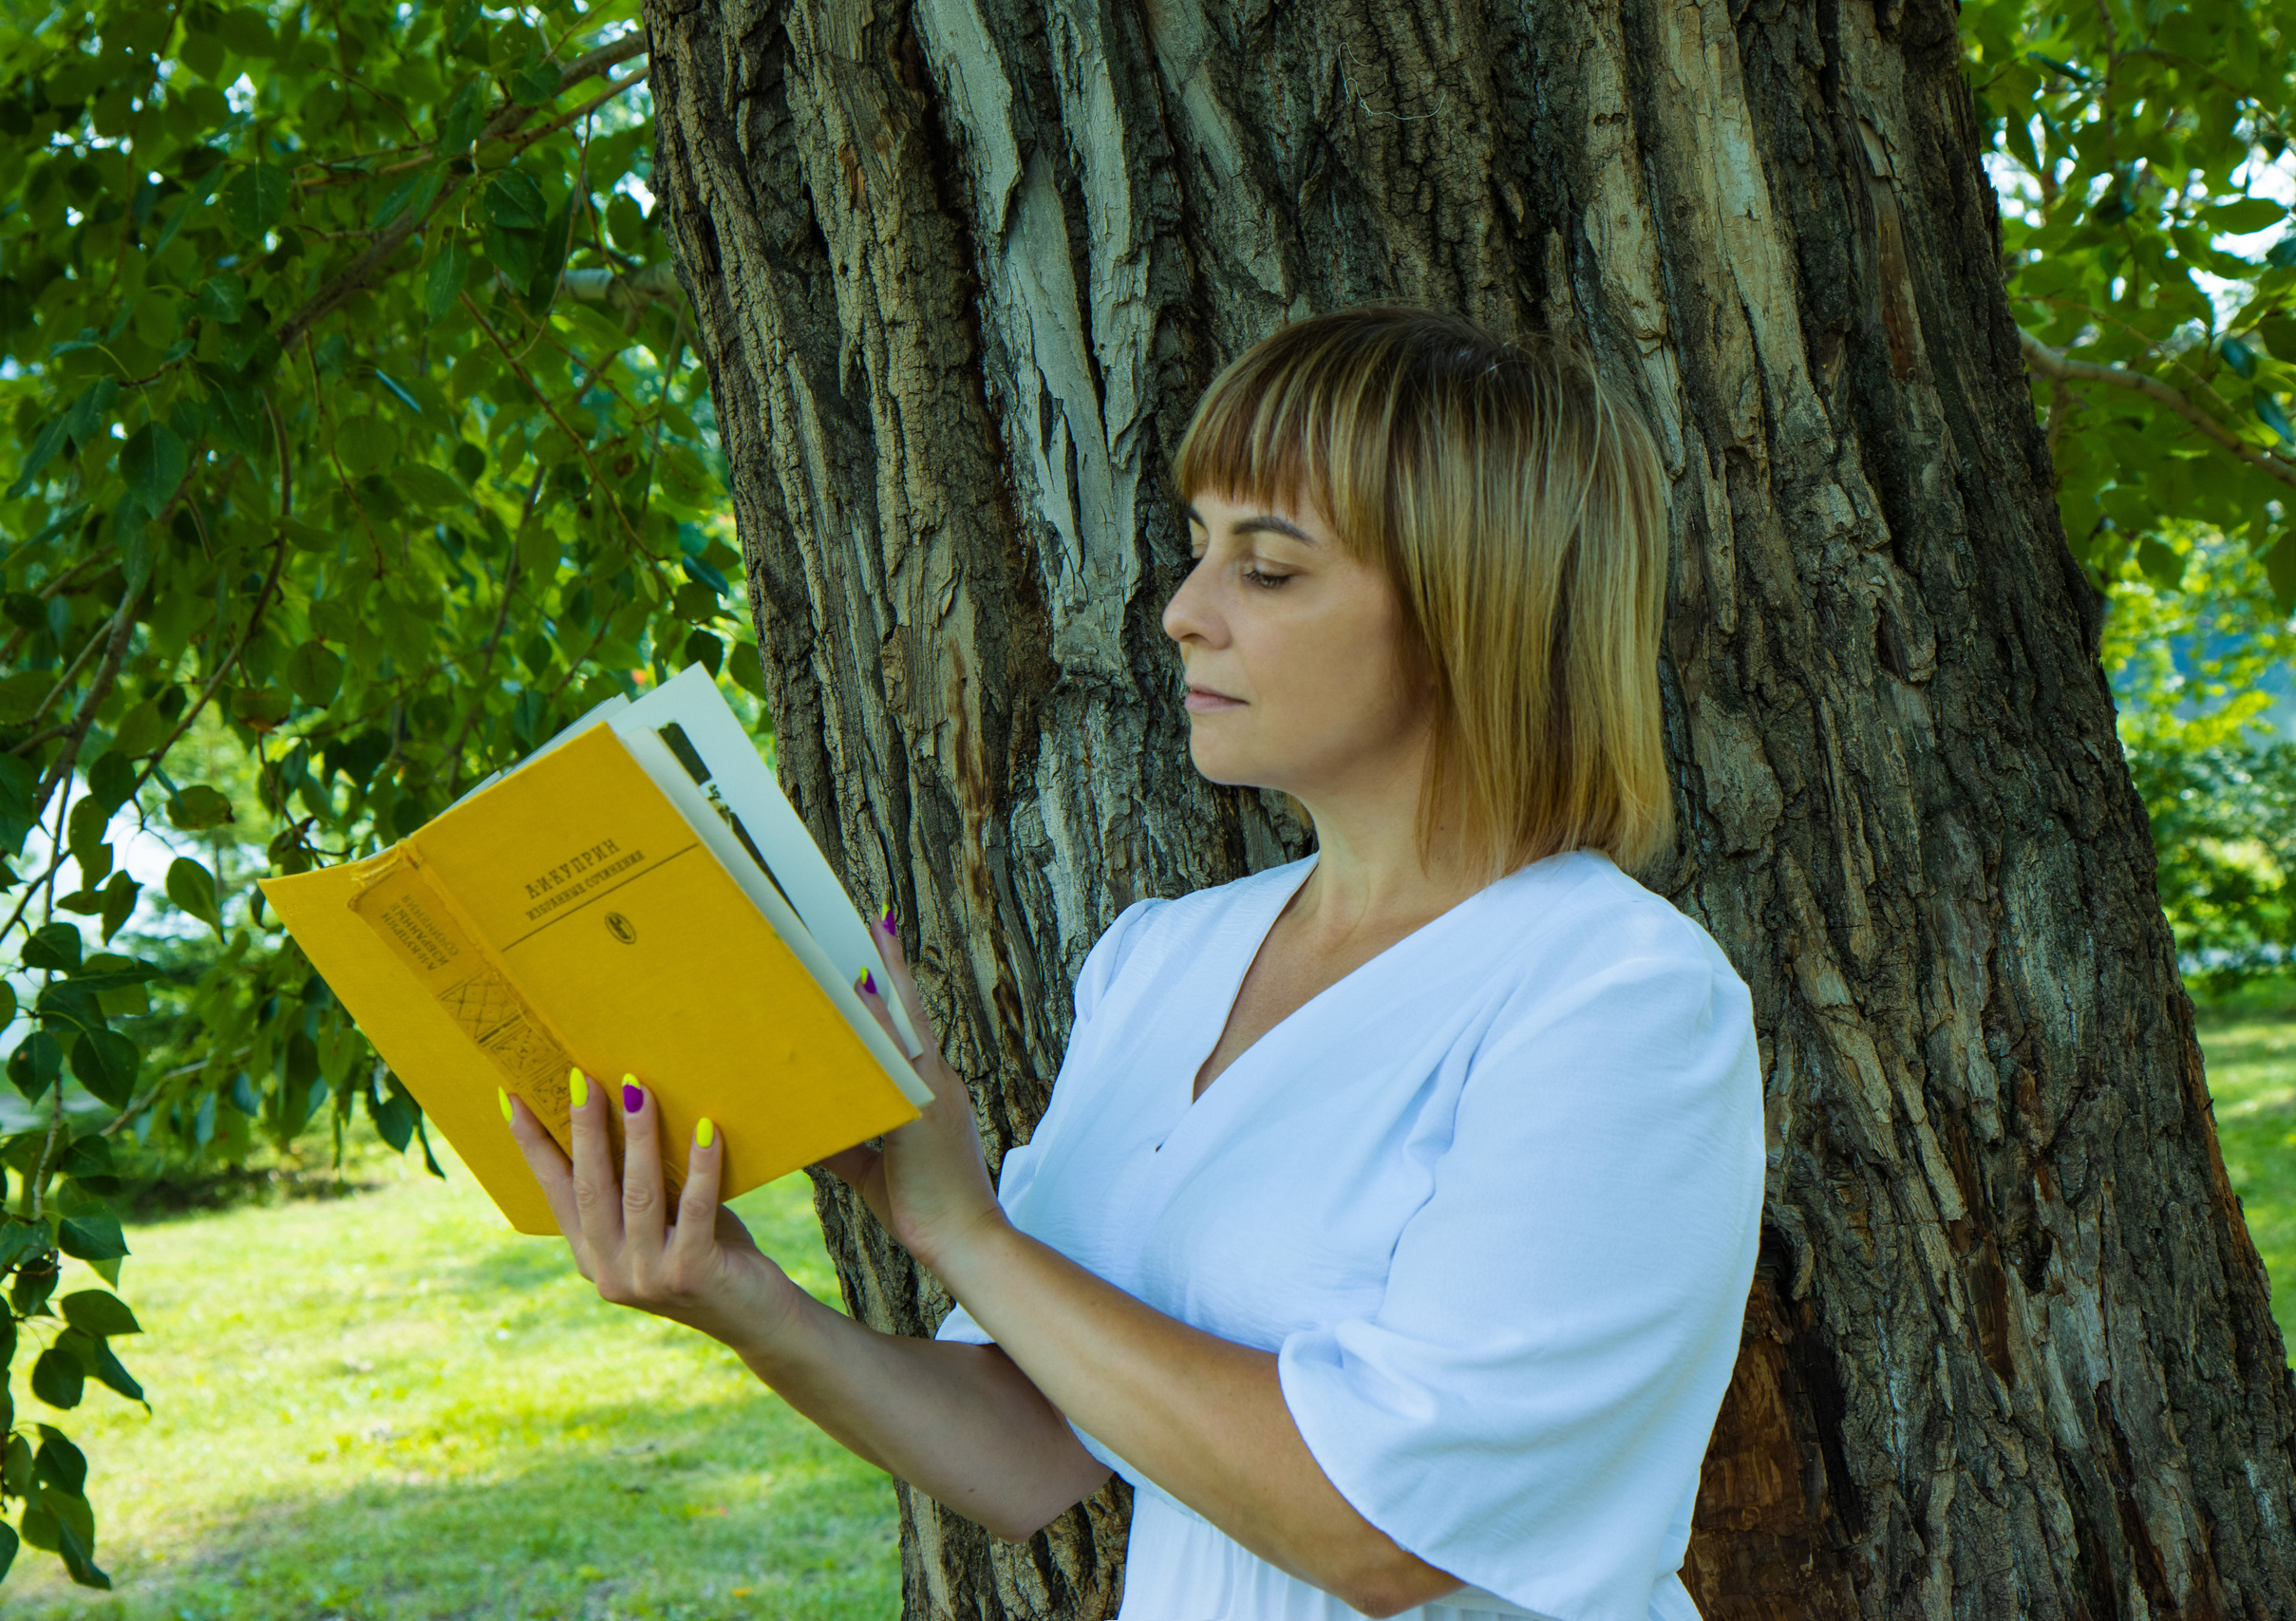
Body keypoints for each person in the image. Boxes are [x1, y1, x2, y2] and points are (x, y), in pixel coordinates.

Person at [504, 307, 1764, 1621]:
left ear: (1470, 610)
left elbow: (1383, 1531)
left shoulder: (1617, 1001)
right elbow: (1030, 1449)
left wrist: (961, 1230)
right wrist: (738, 1299)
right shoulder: (1164, 959)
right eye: (1197, 550)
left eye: (1266, 571)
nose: (1181, 613)